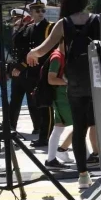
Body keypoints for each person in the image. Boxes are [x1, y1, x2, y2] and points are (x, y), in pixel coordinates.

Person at [27, 0, 101, 189]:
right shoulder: (99, 19)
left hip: (76, 83)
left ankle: (83, 176)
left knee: (79, 129)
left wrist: (31, 53)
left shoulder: (63, 23)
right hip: (100, 81)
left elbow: (43, 50)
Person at [24, 0, 54, 148]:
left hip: (45, 70)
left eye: (43, 10)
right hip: (33, 71)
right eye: (37, 10)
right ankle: (43, 135)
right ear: (31, 12)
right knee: (38, 105)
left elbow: (52, 49)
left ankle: (45, 137)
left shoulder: (50, 27)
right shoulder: (30, 28)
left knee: (45, 106)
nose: (41, 12)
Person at [44, 41, 75, 169]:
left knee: (58, 128)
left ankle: (51, 159)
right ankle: (86, 156)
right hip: (61, 98)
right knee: (80, 125)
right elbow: (51, 79)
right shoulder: (57, 57)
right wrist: (68, 82)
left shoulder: (62, 55)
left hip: (62, 97)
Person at [8, 7, 33, 132]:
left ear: (25, 19)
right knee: (14, 100)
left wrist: (21, 67)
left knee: (32, 101)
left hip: (28, 72)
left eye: (18, 19)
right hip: (16, 73)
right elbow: (14, 55)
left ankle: (38, 127)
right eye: (14, 19)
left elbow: (30, 52)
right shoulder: (15, 32)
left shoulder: (29, 31)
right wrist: (9, 70)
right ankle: (10, 125)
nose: (15, 22)